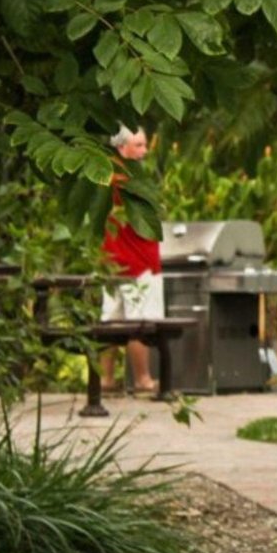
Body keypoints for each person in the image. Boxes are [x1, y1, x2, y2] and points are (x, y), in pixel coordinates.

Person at [99, 125, 163, 393]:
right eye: (138, 146)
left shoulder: (104, 175)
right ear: (122, 147)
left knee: (110, 324)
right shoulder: (131, 180)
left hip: (111, 261)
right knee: (140, 324)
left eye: (144, 145)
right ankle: (143, 380)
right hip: (139, 263)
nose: (144, 151)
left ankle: (106, 380)